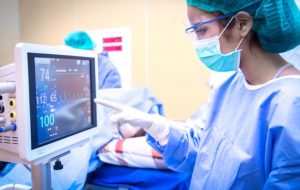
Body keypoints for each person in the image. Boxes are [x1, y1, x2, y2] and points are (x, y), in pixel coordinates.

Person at [97, 0, 300, 189]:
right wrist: (157, 127)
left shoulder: (292, 102)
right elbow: (202, 152)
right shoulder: (229, 85)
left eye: (201, 30)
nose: (198, 43)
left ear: (242, 24)